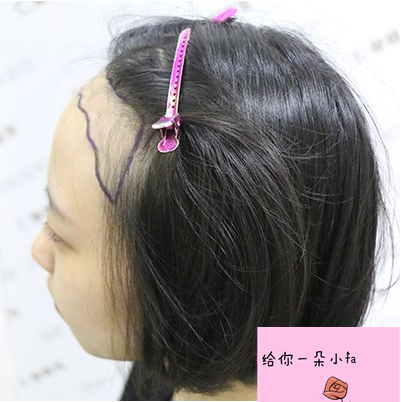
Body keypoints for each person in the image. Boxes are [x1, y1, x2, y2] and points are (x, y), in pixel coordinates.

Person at [31, 7, 396, 401]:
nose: (39, 251)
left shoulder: (354, 381)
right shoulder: (173, 363)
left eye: (60, 232)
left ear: (196, 285)